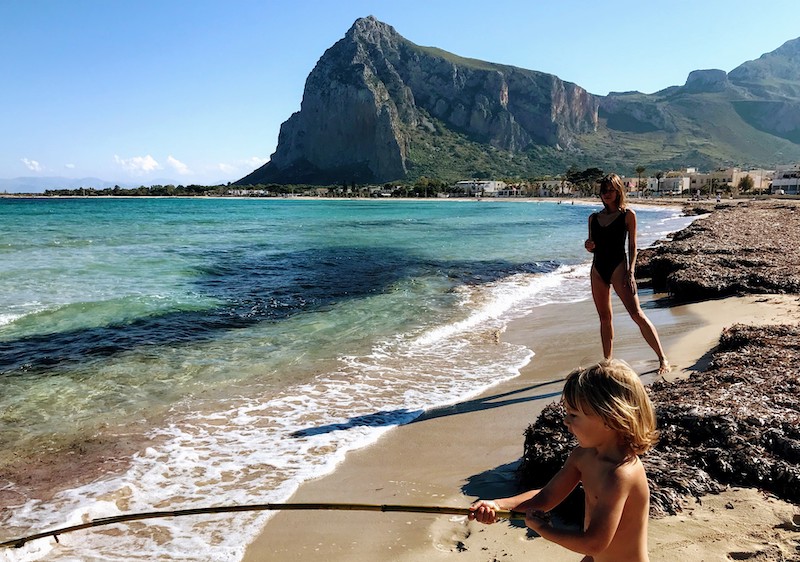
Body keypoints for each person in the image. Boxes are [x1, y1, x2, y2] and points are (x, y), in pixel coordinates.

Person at [469, 359, 658, 562]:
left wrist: (544, 530)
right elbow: (546, 496)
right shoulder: (583, 456)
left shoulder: (621, 474)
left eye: (574, 415)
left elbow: (594, 542)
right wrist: (498, 505)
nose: (566, 421)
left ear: (610, 418)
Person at [584, 173, 670, 374]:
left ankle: (662, 358)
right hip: (597, 269)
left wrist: (631, 272)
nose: (607, 194)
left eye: (611, 190)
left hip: (619, 267)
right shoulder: (594, 218)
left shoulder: (627, 215)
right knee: (605, 318)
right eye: (604, 190)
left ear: (619, 191)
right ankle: (607, 363)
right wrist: (588, 246)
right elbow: (592, 245)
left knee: (636, 314)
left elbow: (632, 246)